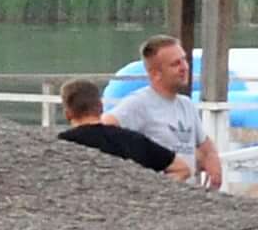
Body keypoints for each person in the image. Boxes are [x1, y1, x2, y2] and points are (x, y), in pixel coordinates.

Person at [110, 35, 222, 189]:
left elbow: (204, 144)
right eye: (175, 64)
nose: (184, 67)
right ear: (156, 74)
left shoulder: (187, 104)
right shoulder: (138, 103)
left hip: (188, 195)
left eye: (184, 60)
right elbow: (105, 128)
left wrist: (213, 160)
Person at [55, 79, 177, 172]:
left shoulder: (62, 144)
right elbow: (181, 168)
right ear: (100, 106)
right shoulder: (133, 140)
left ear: (68, 114)